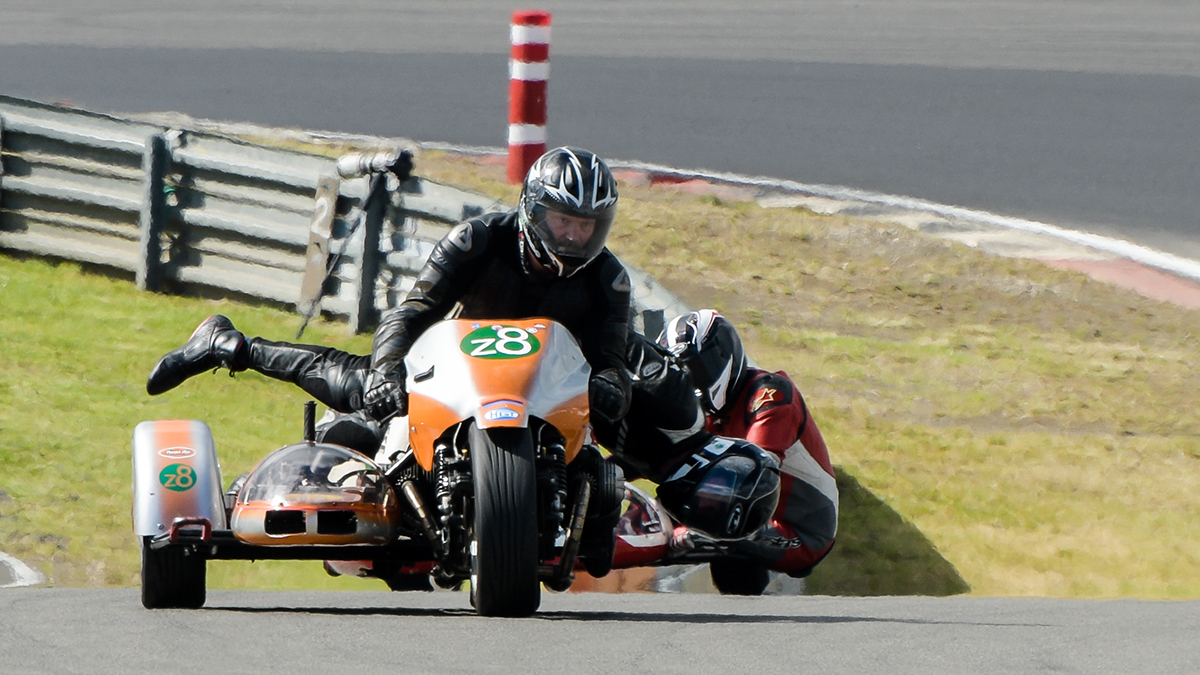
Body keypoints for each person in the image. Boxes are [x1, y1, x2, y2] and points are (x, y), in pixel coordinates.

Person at [145, 147, 633, 433]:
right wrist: (385, 372)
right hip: (460, 371)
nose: (573, 236)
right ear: (534, 210)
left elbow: (612, 357)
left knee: (624, 420)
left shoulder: (608, 277)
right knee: (367, 391)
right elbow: (410, 313)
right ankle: (228, 344)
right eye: (563, 220)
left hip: (545, 391)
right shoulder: (478, 240)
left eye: (586, 226)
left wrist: (613, 386)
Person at [659, 309, 839, 587]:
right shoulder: (706, 412)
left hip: (802, 531)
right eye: (682, 376)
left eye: (697, 371)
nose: (692, 385)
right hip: (746, 519)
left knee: (696, 516)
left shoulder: (770, 395)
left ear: (722, 358)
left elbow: (751, 476)